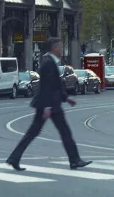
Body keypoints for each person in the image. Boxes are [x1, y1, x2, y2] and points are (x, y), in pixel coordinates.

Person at [6, 37, 91, 171]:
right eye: (61, 47)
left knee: (35, 132)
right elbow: (47, 87)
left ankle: (14, 158)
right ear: (54, 48)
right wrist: (48, 107)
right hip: (50, 105)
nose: (62, 50)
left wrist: (67, 98)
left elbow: (55, 85)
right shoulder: (48, 63)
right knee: (64, 132)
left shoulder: (49, 62)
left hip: (50, 104)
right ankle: (74, 160)